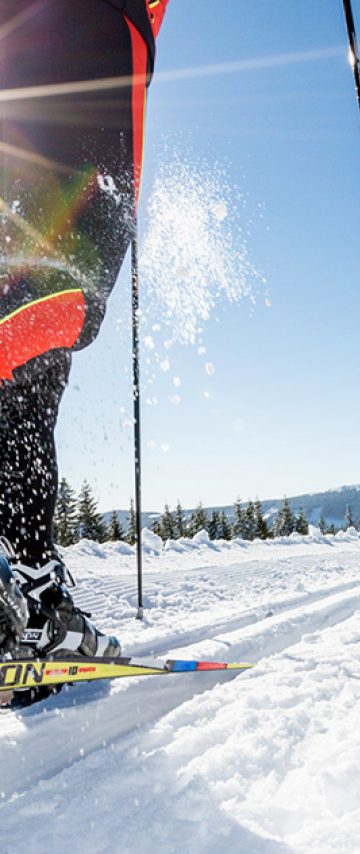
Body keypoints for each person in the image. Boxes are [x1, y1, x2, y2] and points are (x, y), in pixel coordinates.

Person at [0, 0, 170, 665]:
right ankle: (34, 604)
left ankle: (28, 589)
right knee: (50, 311)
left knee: (35, 334)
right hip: (87, 47)